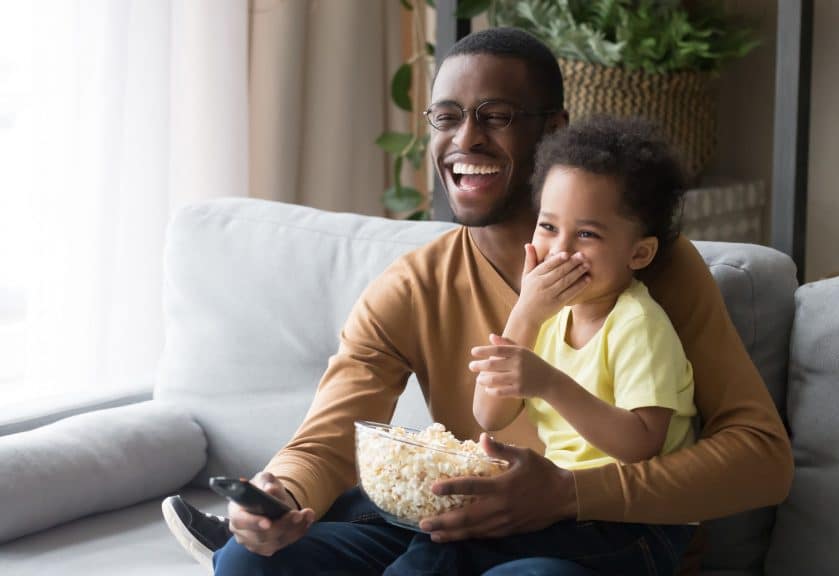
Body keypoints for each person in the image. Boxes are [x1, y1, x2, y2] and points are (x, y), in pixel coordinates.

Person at [163, 27, 793, 576]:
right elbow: (327, 439)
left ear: (553, 133)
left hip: (595, 543)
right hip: (456, 532)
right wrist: (278, 496)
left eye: (495, 115)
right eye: (445, 117)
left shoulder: (654, 271)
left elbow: (761, 459)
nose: (466, 139)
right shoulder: (411, 288)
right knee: (248, 560)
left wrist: (570, 494)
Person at [385, 115, 700, 575]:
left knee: (462, 552)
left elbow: (640, 444)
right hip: (566, 509)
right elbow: (489, 416)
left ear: (639, 254)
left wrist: (550, 384)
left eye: (587, 234)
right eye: (548, 227)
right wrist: (527, 313)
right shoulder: (547, 317)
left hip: (637, 526)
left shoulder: (639, 324)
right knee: (440, 544)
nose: (560, 250)